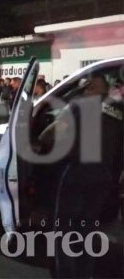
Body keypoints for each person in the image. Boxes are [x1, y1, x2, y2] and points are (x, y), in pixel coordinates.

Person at [39, 75, 123, 278]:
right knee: (87, 230)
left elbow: (46, 136)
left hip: (77, 174)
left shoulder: (79, 105)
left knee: (64, 230)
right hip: (103, 177)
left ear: (91, 87)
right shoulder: (119, 111)